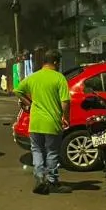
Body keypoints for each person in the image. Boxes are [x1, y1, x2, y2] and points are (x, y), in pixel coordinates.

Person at [15, 48, 72, 195]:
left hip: (35, 122)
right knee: (52, 152)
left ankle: (40, 178)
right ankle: (52, 182)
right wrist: (66, 117)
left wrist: (29, 102)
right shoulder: (59, 78)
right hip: (51, 122)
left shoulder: (33, 77)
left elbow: (17, 90)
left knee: (37, 150)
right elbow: (65, 101)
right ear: (55, 62)